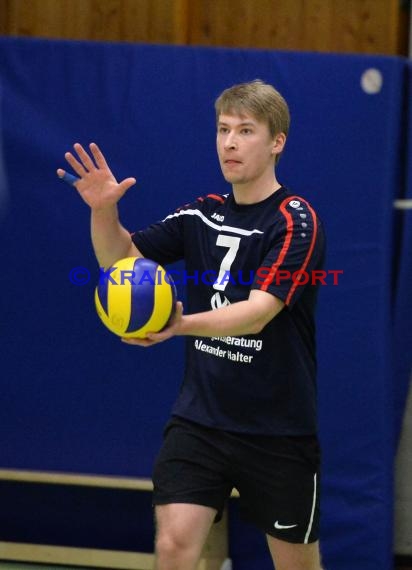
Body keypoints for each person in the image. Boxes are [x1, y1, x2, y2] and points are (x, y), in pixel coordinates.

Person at [58, 79, 326, 570]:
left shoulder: (295, 220)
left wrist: (178, 325)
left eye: (246, 130)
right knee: (174, 545)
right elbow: (119, 260)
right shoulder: (201, 212)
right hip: (201, 419)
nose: (229, 142)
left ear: (277, 141)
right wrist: (104, 211)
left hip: (277, 426)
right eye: (223, 129)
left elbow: (260, 311)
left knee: (296, 565)